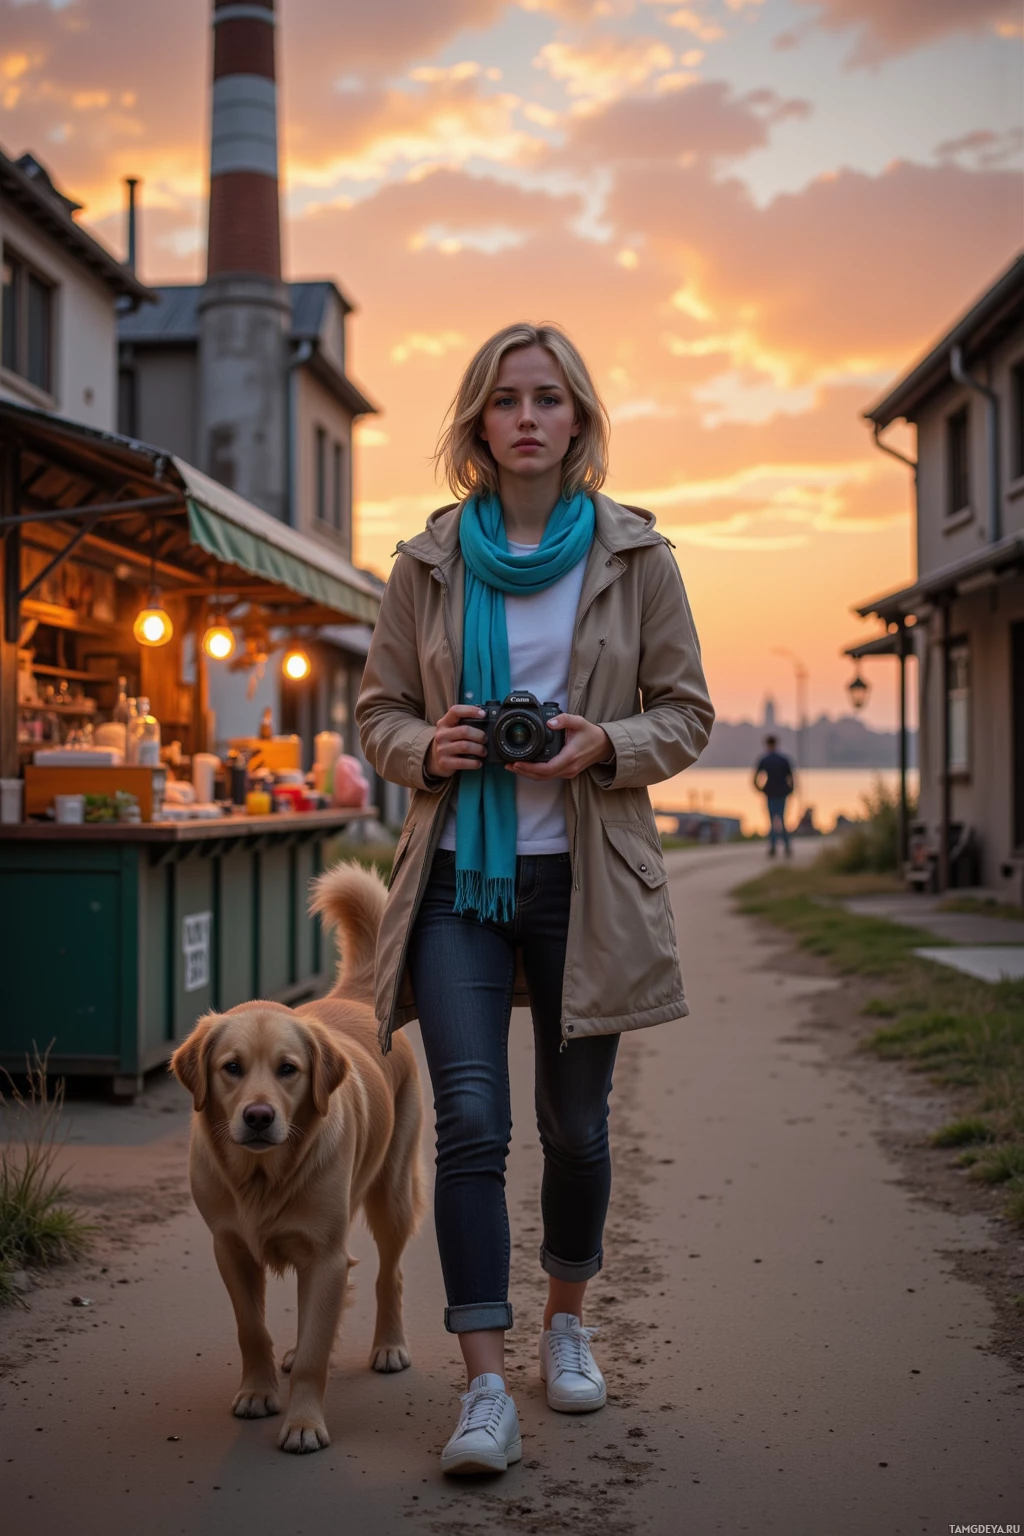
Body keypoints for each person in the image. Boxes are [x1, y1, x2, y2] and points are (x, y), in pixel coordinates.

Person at [356, 322, 714, 1476]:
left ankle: (566, 1318)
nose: (525, 417)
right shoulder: (425, 564)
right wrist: (433, 744)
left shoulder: (636, 557)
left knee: (572, 1125)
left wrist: (599, 741)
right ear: (475, 423)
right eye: (504, 399)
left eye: (546, 398)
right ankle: (484, 1385)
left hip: (589, 881)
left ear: (577, 420)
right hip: (460, 873)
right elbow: (375, 715)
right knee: (469, 1123)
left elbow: (688, 713)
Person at [753, 734, 794, 857]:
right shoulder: (783, 759)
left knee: (772, 821)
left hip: (770, 793)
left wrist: (760, 789)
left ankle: (773, 847)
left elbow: (755, 778)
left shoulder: (765, 760)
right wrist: (790, 790)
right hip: (782, 793)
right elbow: (791, 778)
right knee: (782, 820)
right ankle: (786, 846)